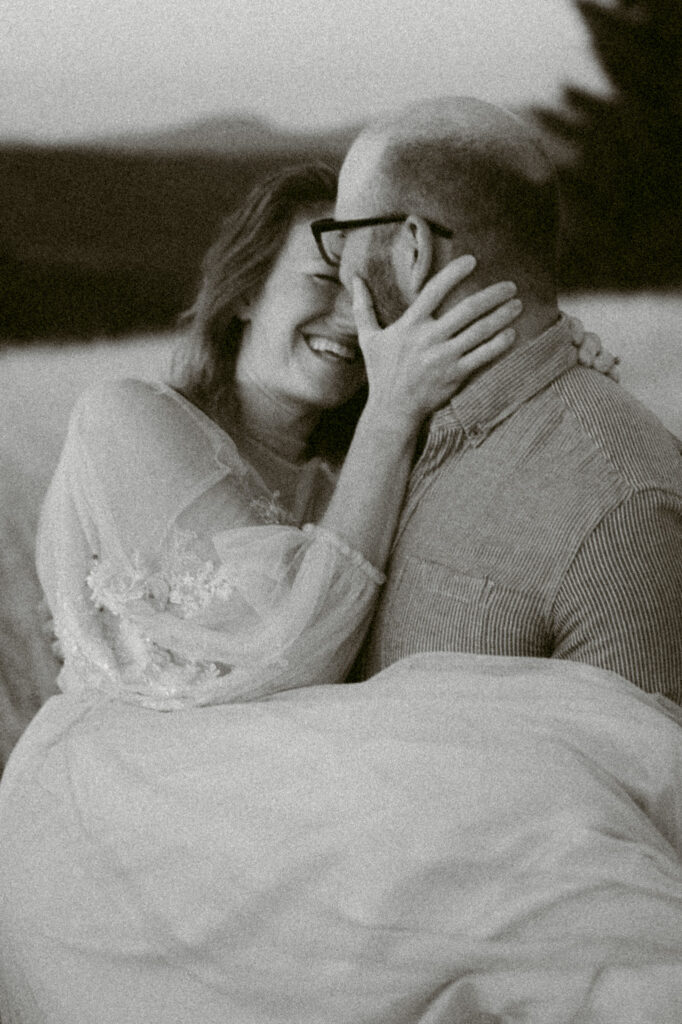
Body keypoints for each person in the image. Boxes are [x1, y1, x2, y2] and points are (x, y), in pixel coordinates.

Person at [2, 163, 679, 1024]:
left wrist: (544, 348)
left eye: (377, 304)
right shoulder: (128, 417)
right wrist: (394, 412)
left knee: (530, 858)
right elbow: (277, 643)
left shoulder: (348, 482)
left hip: (259, 798)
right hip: (117, 808)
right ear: (245, 293)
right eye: (326, 284)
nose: (353, 325)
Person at [321, 96, 682, 699]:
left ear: (413, 248)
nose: (339, 270)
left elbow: (641, 779)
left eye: (341, 236)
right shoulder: (378, 423)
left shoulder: (623, 507)